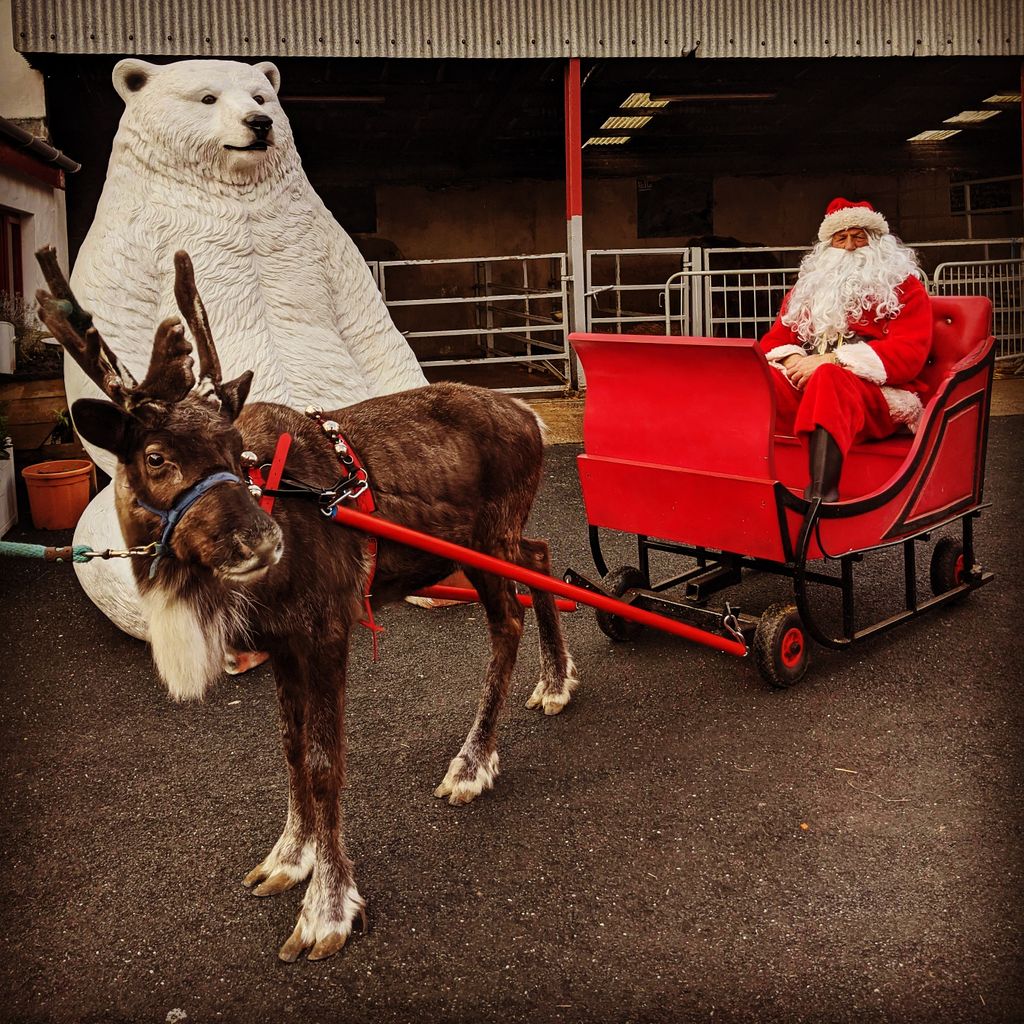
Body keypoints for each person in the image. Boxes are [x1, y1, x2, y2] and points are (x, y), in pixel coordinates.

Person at [760, 197, 933, 502]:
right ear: (828, 246)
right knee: (758, 381)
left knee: (829, 378)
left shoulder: (905, 288)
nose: (851, 246)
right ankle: (749, 483)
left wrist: (832, 360)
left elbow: (909, 354)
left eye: (859, 236)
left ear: (878, 242)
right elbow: (774, 342)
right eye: (841, 238)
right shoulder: (807, 290)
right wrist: (795, 357)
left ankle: (821, 497)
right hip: (813, 385)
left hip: (876, 397)